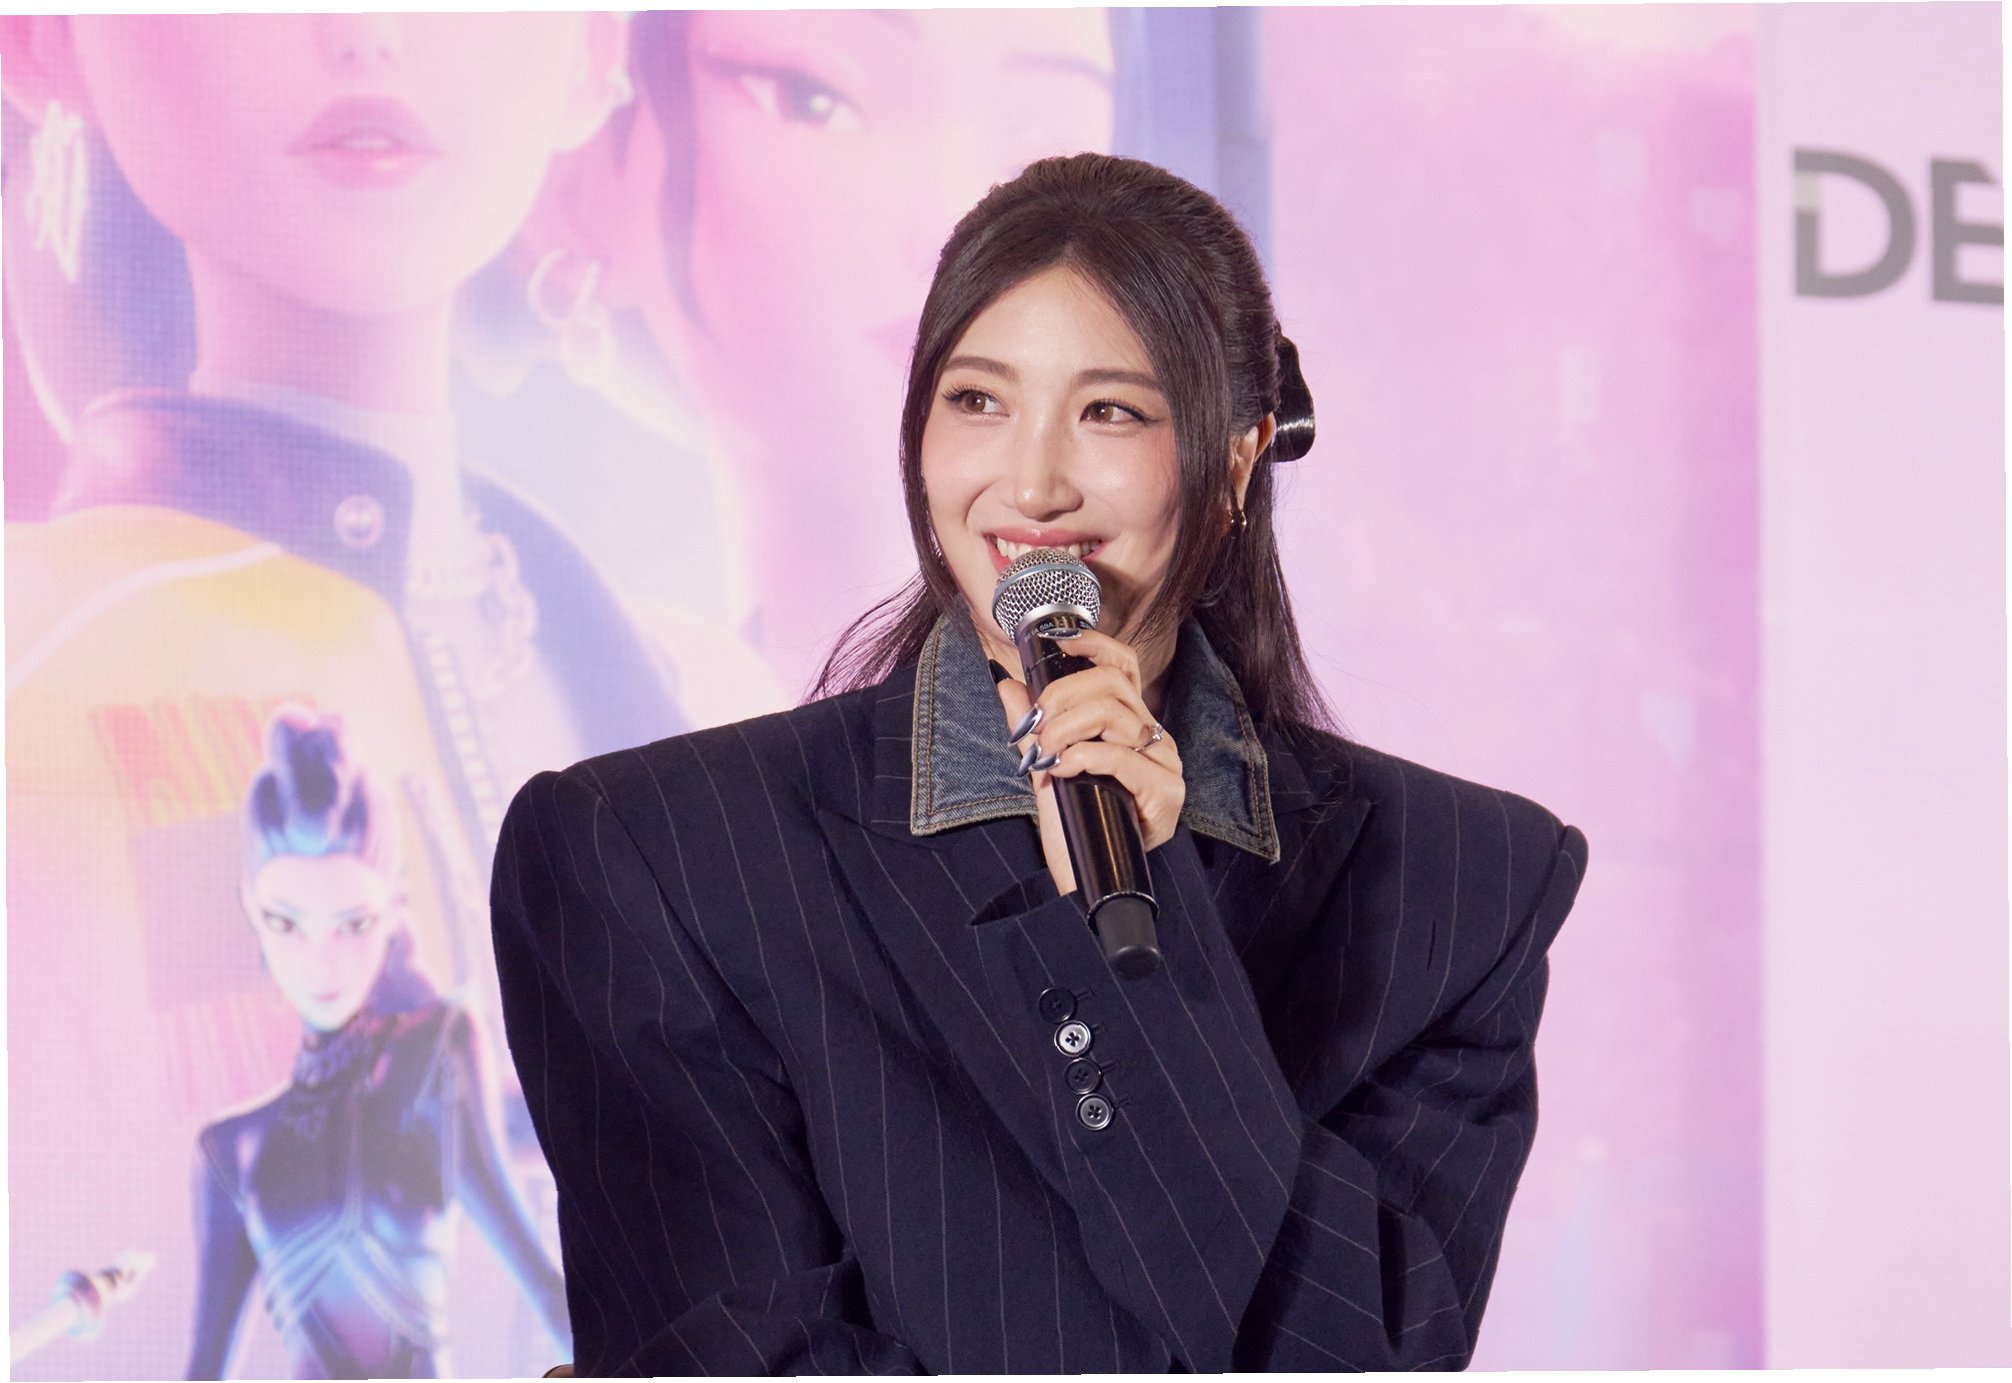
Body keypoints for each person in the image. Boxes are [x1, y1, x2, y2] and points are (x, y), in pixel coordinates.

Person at [490, 153, 1589, 1373]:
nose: (1031, 482)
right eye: (977, 402)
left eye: (1110, 412)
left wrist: (1147, 939)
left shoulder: (1459, 886)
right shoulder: (657, 854)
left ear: (1235, 460)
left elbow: (1352, 1353)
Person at [189, 707, 569, 1378]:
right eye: (286, 923)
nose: (321, 962)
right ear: (251, 909)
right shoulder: (231, 1150)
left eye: (353, 923)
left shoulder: (433, 1056)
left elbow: (541, 1283)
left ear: (394, 908)